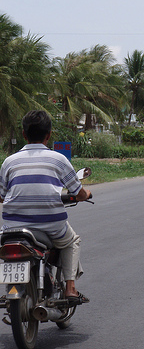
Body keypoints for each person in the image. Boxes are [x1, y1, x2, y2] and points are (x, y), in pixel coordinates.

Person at [0, 110, 91, 305]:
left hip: (11, 228)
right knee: (72, 241)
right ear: (49, 135)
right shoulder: (58, 159)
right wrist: (86, 195)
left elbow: (1, 195)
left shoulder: (9, 162)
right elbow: (78, 191)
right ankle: (70, 288)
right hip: (51, 225)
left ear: (24, 134)